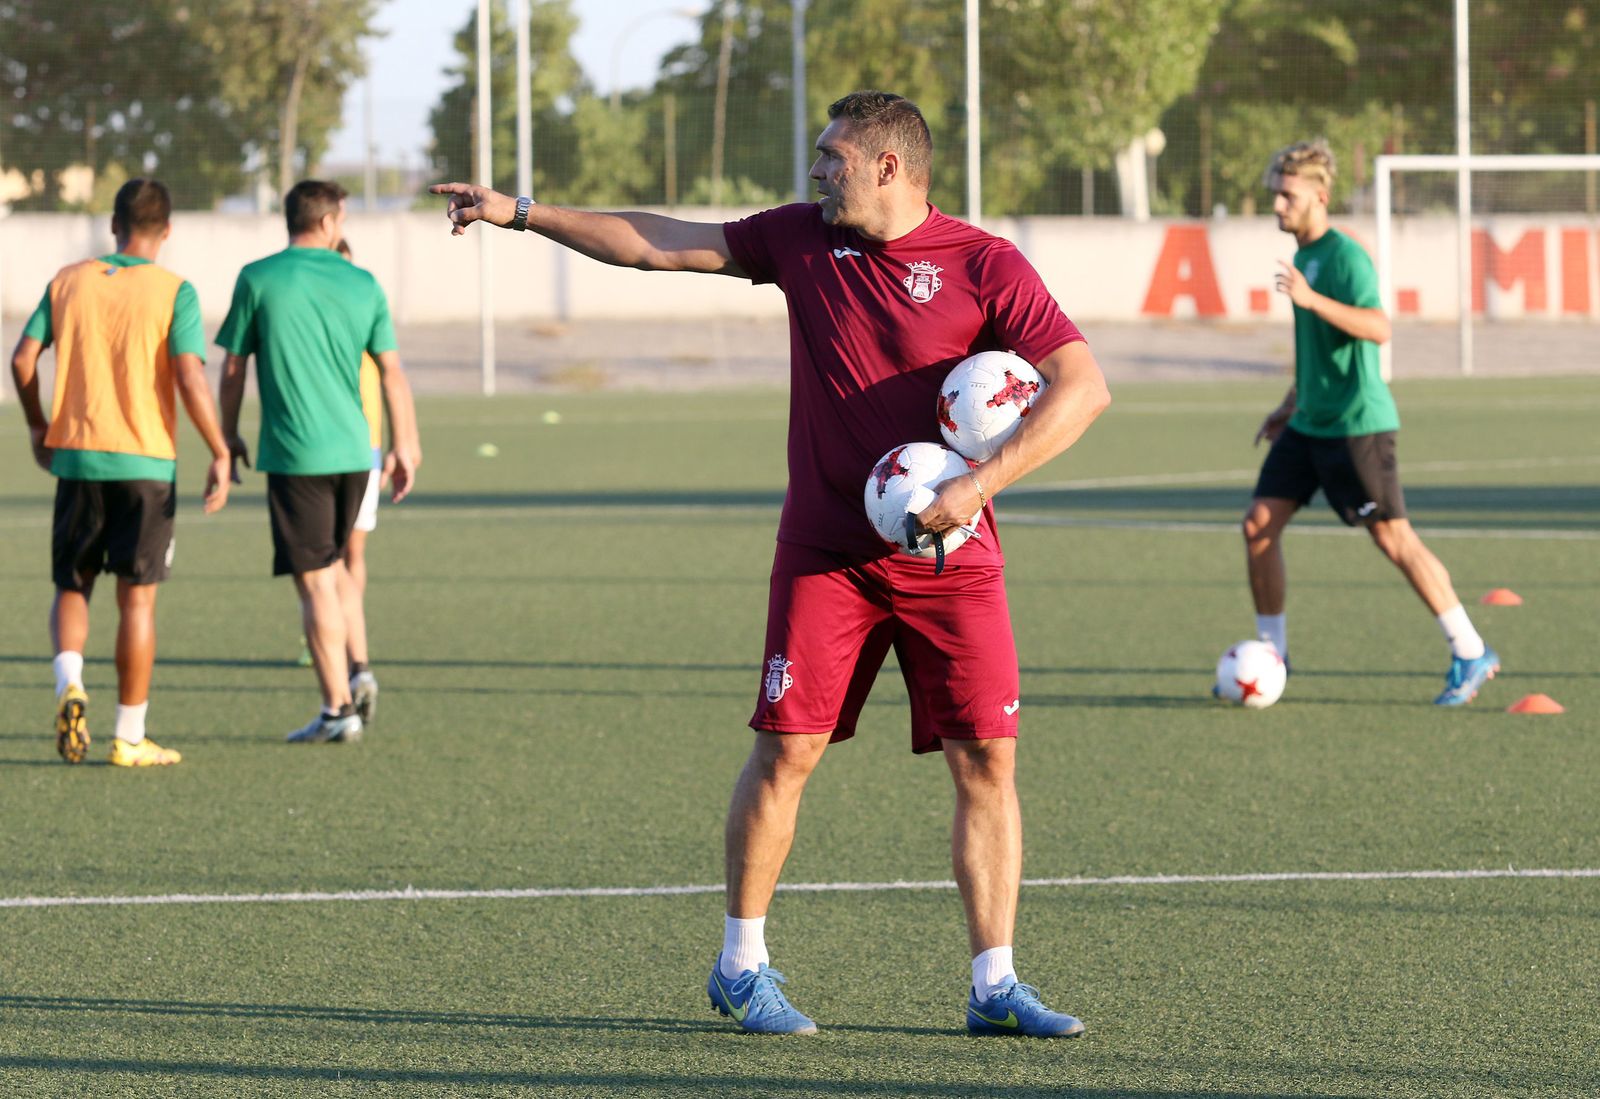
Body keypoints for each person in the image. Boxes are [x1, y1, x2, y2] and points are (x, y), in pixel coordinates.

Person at [431, 90, 1111, 1037]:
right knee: (787, 750)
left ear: (890, 167)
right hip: (828, 553)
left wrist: (979, 484)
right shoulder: (798, 239)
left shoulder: (984, 263)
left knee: (987, 759)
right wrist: (525, 213)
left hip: (951, 555)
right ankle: (741, 965)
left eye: (834, 156)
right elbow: (660, 239)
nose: (817, 169)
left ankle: (995, 983)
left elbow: (1084, 386)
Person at [1245, 140, 1498, 705]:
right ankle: (1272, 655)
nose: (1277, 205)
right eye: (1275, 195)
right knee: (1258, 525)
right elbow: (1321, 347)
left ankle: (1470, 648)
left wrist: (1312, 300)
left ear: (1319, 195)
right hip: (1310, 422)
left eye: (1287, 195)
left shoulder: (1343, 257)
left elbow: (1379, 328)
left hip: (1357, 425)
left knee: (1393, 538)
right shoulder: (1305, 256)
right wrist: (1291, 401)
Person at [8, 178, 232, 767]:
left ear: (114, 225)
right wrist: (220, 449)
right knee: (137, 602)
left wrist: (38, 426)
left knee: (73, 583)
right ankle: (128, 737)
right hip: (146, 462)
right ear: (168, 231)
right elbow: (188, 377)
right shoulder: (173, 290)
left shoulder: (68, 279)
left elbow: (22, 359)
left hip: (78, 457)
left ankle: (69, 684)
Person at [216, 180, 421, 744]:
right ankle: (359, 671)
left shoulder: (258, 278)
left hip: (296, 454)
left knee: (314, 584)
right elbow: (393, 372)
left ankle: (337, 709)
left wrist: (226, 436)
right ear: (330, 222)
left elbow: (233, 369)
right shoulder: (362, 283)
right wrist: (405, 444)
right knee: (335, 567)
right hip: (359, 453)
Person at [290, 237, 385, 714]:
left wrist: (394, 445)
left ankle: (345, 640)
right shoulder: (319, 314)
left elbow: (390, 373)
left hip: (358, 445)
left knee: (345, 556)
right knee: (333, 560)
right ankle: (346, 647)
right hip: (336, 446)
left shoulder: (361, 306)